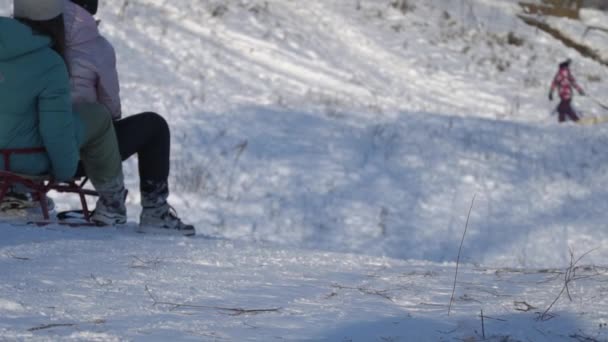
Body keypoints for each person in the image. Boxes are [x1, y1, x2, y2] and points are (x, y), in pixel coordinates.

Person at [61, 0, 195, 235]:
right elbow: (110, 109)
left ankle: (20, 194)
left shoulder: (24, 38)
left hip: (24, 154)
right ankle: (155, 211)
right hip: (76, 156)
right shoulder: (96, 47)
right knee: (154, 126)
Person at [1, 0, 126, 226]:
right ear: (57, 22)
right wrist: (64, 170)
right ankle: (112, 203)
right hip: (26, 161)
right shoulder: (50, 63)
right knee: (98, 116)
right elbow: (56, 129)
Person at [548, 58, 585, 123]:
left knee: (563, 108)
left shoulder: (560, 74)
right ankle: (564, 121)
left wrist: (551, 92)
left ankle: (574, 120)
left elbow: (554, 83)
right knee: (563, 108)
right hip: (568, 94)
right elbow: (574, 83)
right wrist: (580, 90)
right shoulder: (568, 74)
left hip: (564, 94)